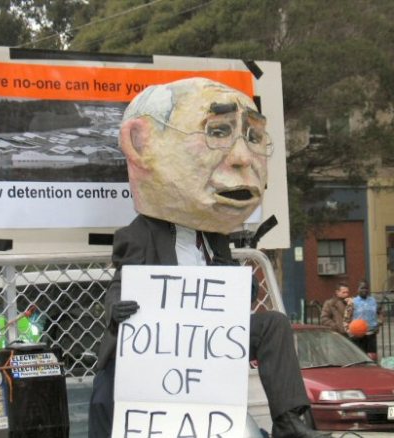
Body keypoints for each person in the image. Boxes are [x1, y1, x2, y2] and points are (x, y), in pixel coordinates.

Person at [88, 78, 330, 438]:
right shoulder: (140, 234)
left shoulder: (216, 240)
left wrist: (240, 290)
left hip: (205, 345)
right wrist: (116, 309)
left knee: (274, 324)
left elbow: (227, 303)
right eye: (217, 132)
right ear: (141, 146)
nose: (241, 159)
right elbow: (121, 284)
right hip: (161, 350)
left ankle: (289, 420)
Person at [344, 280, 383, 361]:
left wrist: (379, 323)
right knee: (359, 360)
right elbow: (346, 319)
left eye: (366, 288)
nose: (364, 290)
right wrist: (350, 332)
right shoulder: (352, 302)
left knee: (371, 359)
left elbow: (380, 315)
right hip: (357, 335)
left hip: (371, 335)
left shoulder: (373, 301)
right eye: (362, 288)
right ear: (357, 289)